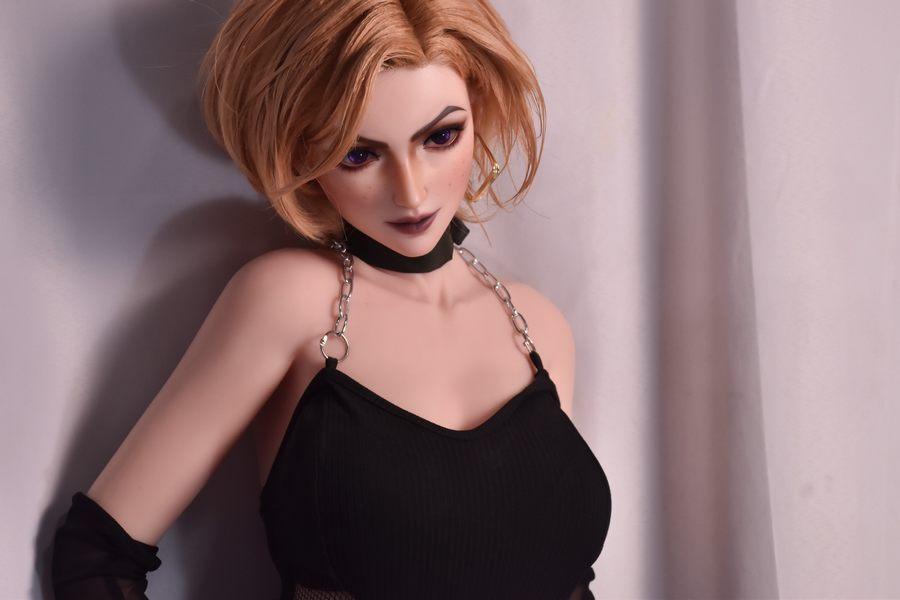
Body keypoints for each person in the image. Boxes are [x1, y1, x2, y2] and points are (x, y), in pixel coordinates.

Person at [50, 1, 612, 598]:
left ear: (480, 110)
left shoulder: (539, 327)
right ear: (300, 155)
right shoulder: (288, 303)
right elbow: (95, 557)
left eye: (441, 137)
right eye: (358, 154)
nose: (411, 192)